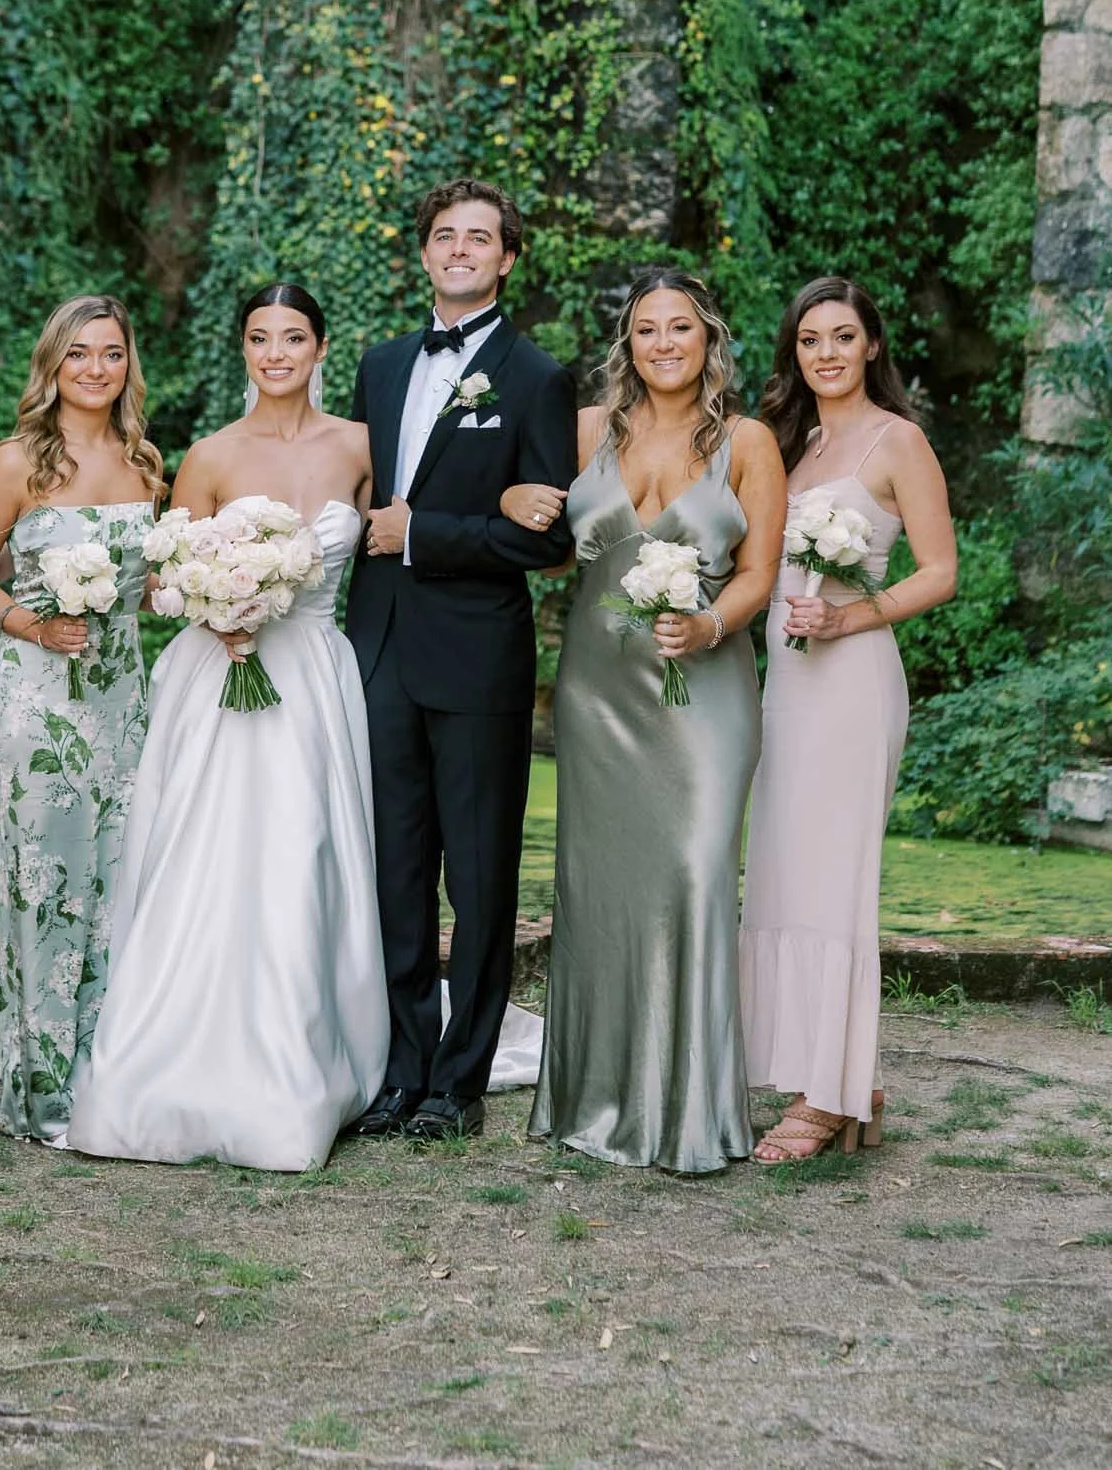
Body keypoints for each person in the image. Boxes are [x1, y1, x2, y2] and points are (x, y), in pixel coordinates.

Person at [67, 283, 386, 1171]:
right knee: (200, 862)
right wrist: (214, 606)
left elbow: (393, 538)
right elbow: (159, 582)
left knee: (301, 851)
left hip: (314, 675)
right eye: (258, 338)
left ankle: (299, 1067)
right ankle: (172, 1061)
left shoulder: (362, 447)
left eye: (291, 337)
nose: (275, 353)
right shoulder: (206, 455)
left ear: (321, 346)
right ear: (241, 350)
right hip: (218, 680)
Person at [506, 267, 785, 1174]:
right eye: (645, 330)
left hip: (704, 692)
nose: (662, 344)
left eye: (679, 329)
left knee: (695, 877)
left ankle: (689, 1113)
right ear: (626, 343)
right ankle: (591, 1103)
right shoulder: (588, 430)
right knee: (599, 890)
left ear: (709, 339)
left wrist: (710, 622)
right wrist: (513, 501)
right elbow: (544, 540)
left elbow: (758, 575)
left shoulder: (747, 441)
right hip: (596, 692)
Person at [345, 179, 577, 1143]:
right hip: (380, 648)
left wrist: (422, 531)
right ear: (425, 253)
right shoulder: (379, 364)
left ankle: (459, 1082)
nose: (460, 249)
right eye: (445, 236)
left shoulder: (537, 377)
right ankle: (400, 1071)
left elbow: (545, 541)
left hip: (478, 658)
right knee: (394, 870)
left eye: (479, 238)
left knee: (475, 879)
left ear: (507, 257)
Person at [742, 277, 957, 1163]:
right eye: (807, 340)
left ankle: (826, 1096)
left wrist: (850, 616)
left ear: (871, 344)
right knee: (784, 873)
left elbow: (939, 571)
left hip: (851, 680)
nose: (824, 353)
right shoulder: (789, 442)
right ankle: (839, 1075)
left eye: (842, 336)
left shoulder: (896, 439)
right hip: (783, 684)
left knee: (836, 879)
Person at [0, 296, 163, 1143]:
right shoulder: (16, 463)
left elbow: (152, 588)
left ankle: (106, 1078)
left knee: (120, 883)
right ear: (53, 364)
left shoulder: (147, 461)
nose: (94, 370)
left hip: (122, 701)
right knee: (46, 883)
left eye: (110, 354)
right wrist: (32, 623)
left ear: (126, 365)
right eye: (78, 354)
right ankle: (40, 1091)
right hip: (38, 702)